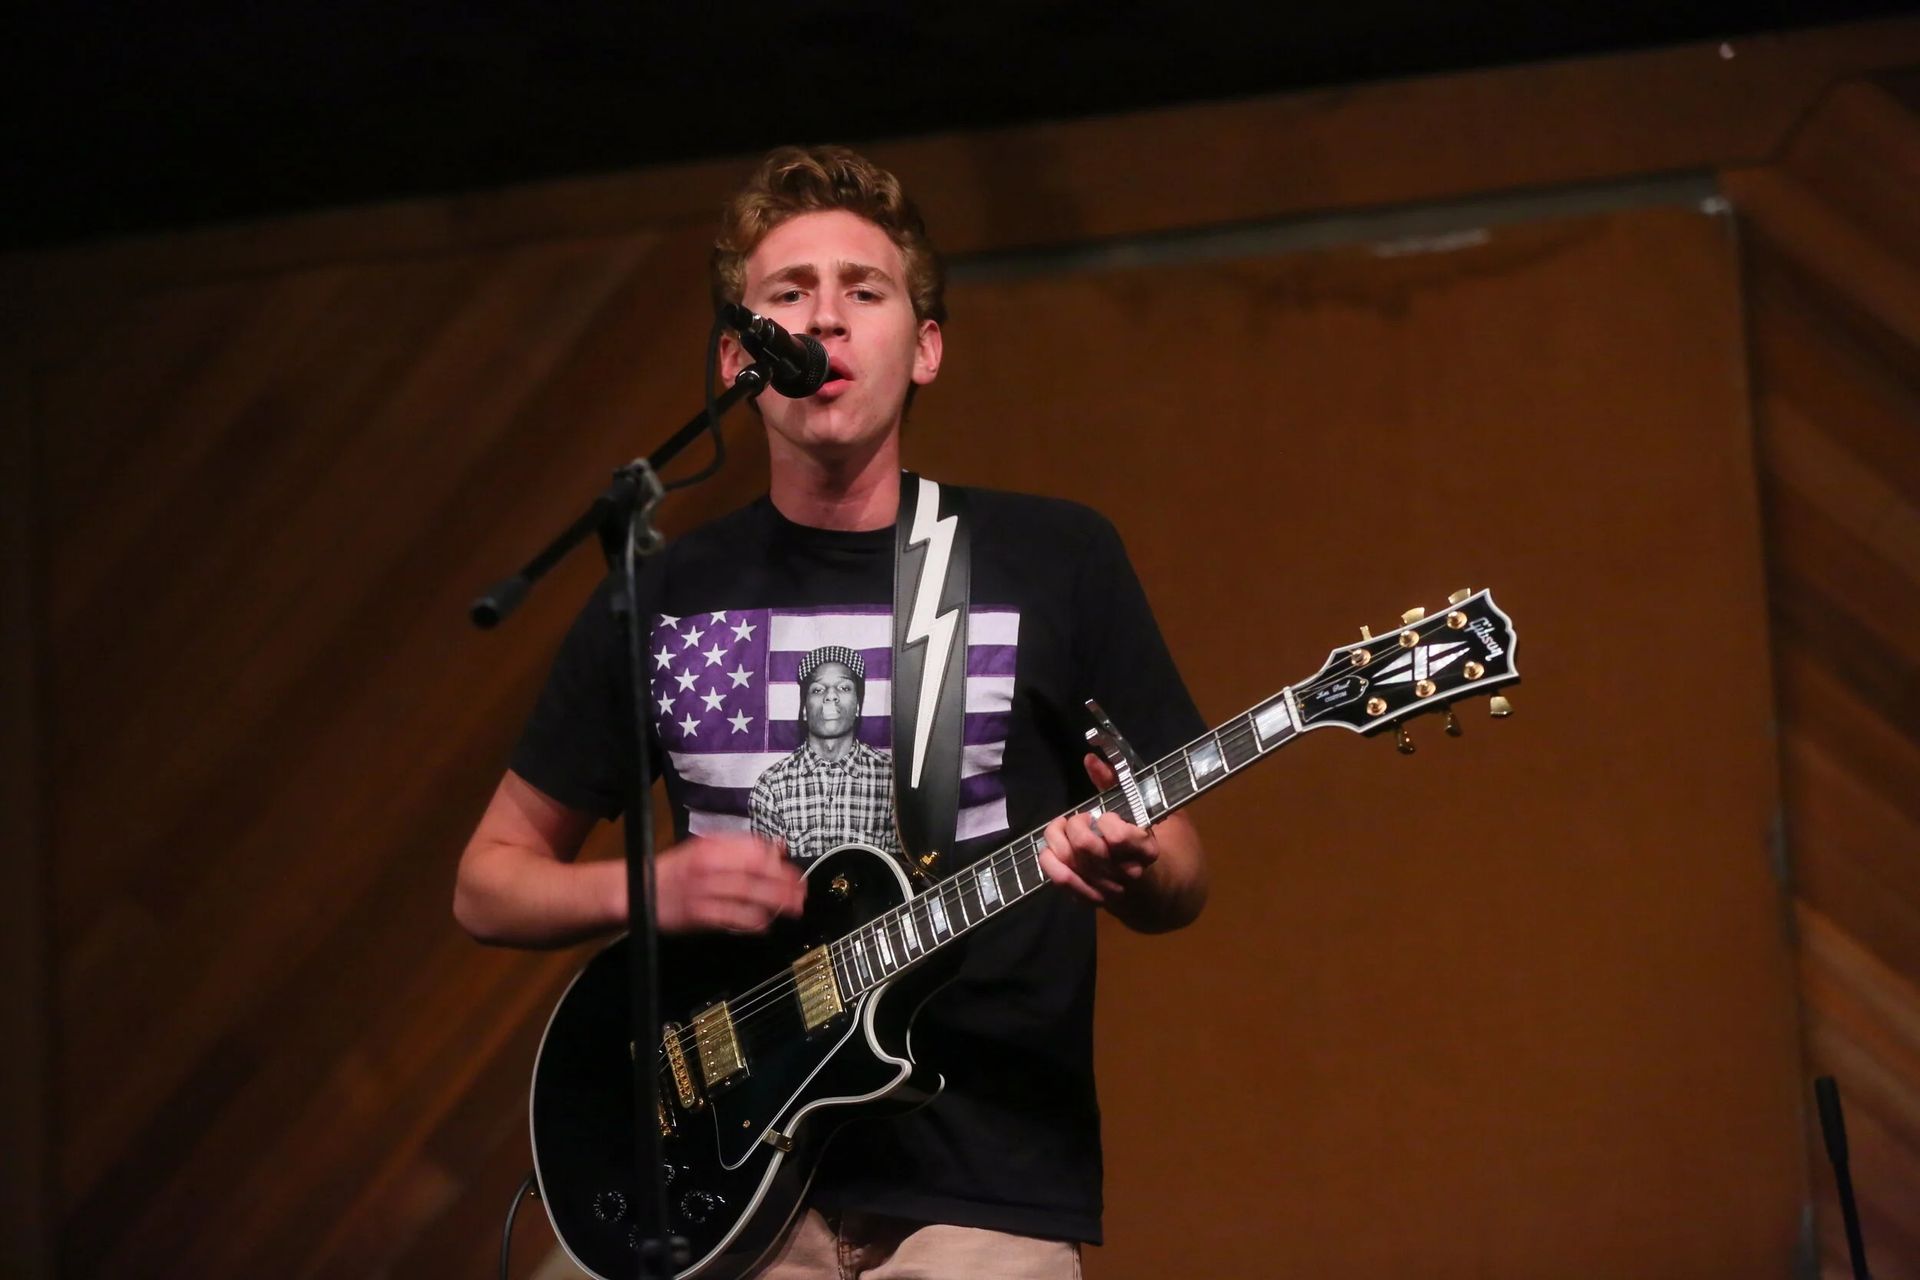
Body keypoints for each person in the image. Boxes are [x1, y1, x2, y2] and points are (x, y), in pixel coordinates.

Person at [453, 144, 1209, 1278]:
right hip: (711, 1175)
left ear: (928, 346)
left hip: (979, 1181)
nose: (829, 318)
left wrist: (1141, 869)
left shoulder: (1052, 558)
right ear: (737, 356)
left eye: (865, 290)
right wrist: (647, 886)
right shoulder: (662, 591)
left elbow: (1183, 864)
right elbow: (487, 881)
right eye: (788, 293)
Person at [748, 646, 906, 865]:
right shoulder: (771, 788)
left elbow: (899, 877)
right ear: (804, 709)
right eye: (818, 689)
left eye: (844, 687)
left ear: (858, 706)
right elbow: (769, 884)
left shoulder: (891, 779)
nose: (831, 696)